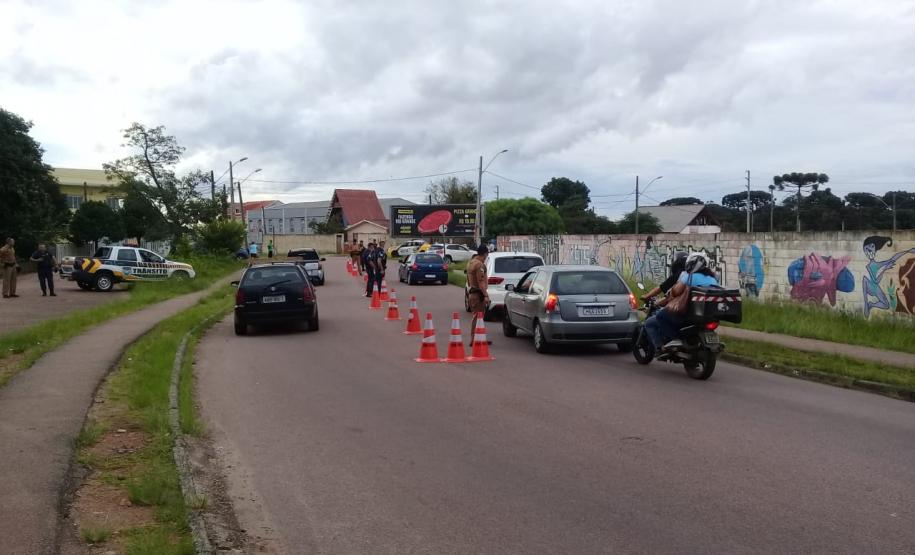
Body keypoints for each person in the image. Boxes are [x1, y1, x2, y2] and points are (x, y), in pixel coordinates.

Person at [644, 252, 719, 352]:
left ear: (692, 264)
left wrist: (670, 293)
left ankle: (675, 339)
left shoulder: (689, 277)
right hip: (705, 314)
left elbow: (675, 292)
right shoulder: (713, 278)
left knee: (660, 316)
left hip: (687, 313)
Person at [465, 245, 491, 345]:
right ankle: (474, 339)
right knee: (478, 317)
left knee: (477, 316)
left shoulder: (471, 262)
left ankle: (479, 337)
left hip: (472, 292)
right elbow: (481, 282)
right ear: (485, 254)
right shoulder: (479, 265)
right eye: (486, 255)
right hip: (478, 294)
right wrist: (486, 295)